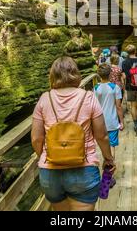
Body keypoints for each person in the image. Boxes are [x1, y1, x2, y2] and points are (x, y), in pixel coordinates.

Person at [31, 56, 115, 211]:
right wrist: (108, 159)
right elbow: (101, 136)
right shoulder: (88, 97)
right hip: (83, 171)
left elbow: (36, 139)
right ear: (76, 74)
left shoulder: (44, 99)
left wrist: (46, 156)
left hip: (50, 173)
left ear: (52, 76)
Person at [94, 64, 124, 160]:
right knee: (111, 146)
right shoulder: (115, 87)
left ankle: (106, 165)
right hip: (112, 122)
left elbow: (93, 107)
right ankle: (109, 172)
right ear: (110, 74)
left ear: (99, 75)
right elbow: (118, 106)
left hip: (99, 123)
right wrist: (122, 122)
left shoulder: (95, 89)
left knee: (103, 146)